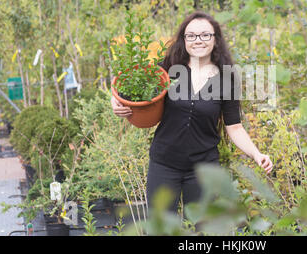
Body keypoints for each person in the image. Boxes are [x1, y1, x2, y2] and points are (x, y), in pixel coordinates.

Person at [111, 11, 273, 214]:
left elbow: (235, 127)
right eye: (191, 36)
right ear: (184, 40)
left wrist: (257, 154)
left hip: (204, 168)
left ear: (215, 39)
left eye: (205, 35)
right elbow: (127, 86)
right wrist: (115, 101)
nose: (198, 40)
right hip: (164, 163)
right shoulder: (169, 68)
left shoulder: (227, 79)